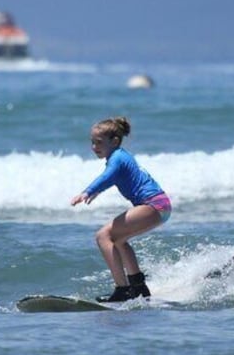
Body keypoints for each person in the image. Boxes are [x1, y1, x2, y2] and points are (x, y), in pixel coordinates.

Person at [70, 116, 172, 302]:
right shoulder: (120, 156)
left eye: (99, 142)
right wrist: (96, 192)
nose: (94, 147)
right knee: (118, 240)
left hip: (153, 204)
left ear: (115, 141)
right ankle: (138, 287)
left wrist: (88, 191)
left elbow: (108, 176)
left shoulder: (117, 158)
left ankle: (122, 289)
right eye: (92, 142)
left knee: (103, 236)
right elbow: (112, 178)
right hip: (160, 206)